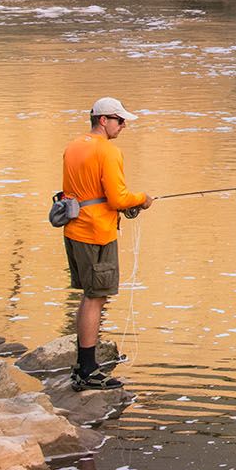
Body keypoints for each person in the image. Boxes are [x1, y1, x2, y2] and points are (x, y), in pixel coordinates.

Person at [62, 96, 152, 391]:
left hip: (74, 229)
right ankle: (88, 371)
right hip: (96, 232)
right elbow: (117, 198)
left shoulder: (74, 146)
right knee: (96, 296)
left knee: (89, 295)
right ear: (103, 120)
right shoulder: (108, 152)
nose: (123, 125)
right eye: (119, 120)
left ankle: (82, 365)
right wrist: (142, 199)